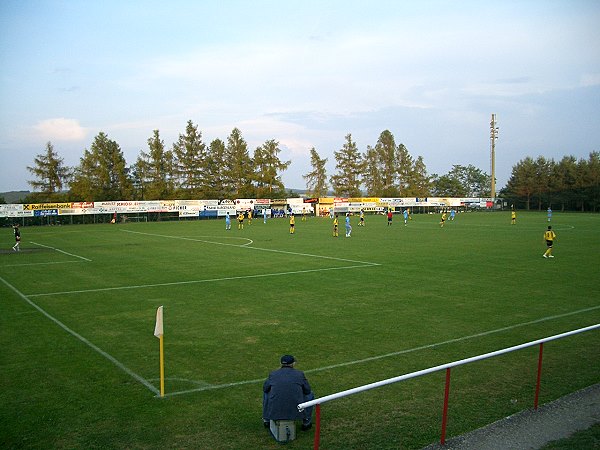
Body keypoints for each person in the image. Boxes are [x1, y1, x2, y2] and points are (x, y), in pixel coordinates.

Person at [263, 355, 314, 431]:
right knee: (310, 395)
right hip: (296, 407)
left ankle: (266, 419)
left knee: (266, 394)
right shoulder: (299, 374)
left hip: (275, 408)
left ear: (281, 364)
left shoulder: (273, 374)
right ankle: (306, 422)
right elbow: (307, 390)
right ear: (293, 364)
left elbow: (265, 389)